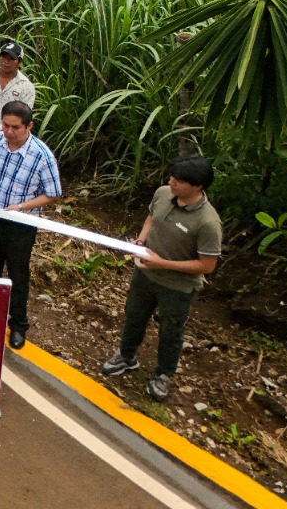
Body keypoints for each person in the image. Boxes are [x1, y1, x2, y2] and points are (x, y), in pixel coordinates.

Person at [102, 155, 222, 402]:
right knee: (134, 316)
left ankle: (164, 374)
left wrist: (162, 263)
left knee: (170, 331)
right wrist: (141, 240)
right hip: (145, 274)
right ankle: (126, 356)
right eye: (171, 177)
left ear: (198, 186)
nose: (171, 182)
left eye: (179, 181)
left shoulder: (208, 222)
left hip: (177, 287)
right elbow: (151, 217)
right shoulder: (163, 194)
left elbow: (207, 265)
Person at [0, 100, 61, 349]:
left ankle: (18, 325)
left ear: (29, 126)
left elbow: (52, 194)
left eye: (15, 127)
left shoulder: (41, 156)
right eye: (5, 125)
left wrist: (22, 207)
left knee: (17, 275)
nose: (8, 132)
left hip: (19, 225)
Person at [0, 41, 37, 115]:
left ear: (19, 62)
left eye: (11, 58)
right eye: (3, 57)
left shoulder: (26, 86)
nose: (6, 61)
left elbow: (23, 115)